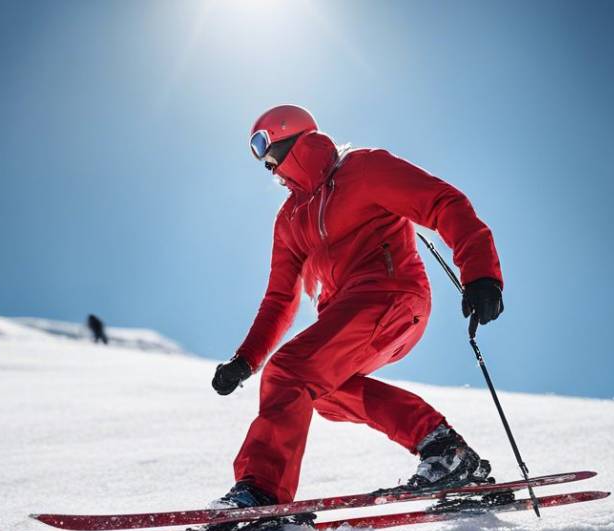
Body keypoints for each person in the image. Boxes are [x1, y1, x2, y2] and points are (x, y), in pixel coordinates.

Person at [211, 105, 504, 510]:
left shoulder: (362, 169)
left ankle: (260, 492)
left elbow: (442, 202)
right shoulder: (290, 219)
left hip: (392, 296)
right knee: (321, 393)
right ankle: (443, 449)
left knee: (290, 372)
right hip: (347, 314)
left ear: (287, 136)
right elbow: (279, 298)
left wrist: (480, 271)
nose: (266, 166)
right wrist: (246, 361)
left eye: (264, 149)